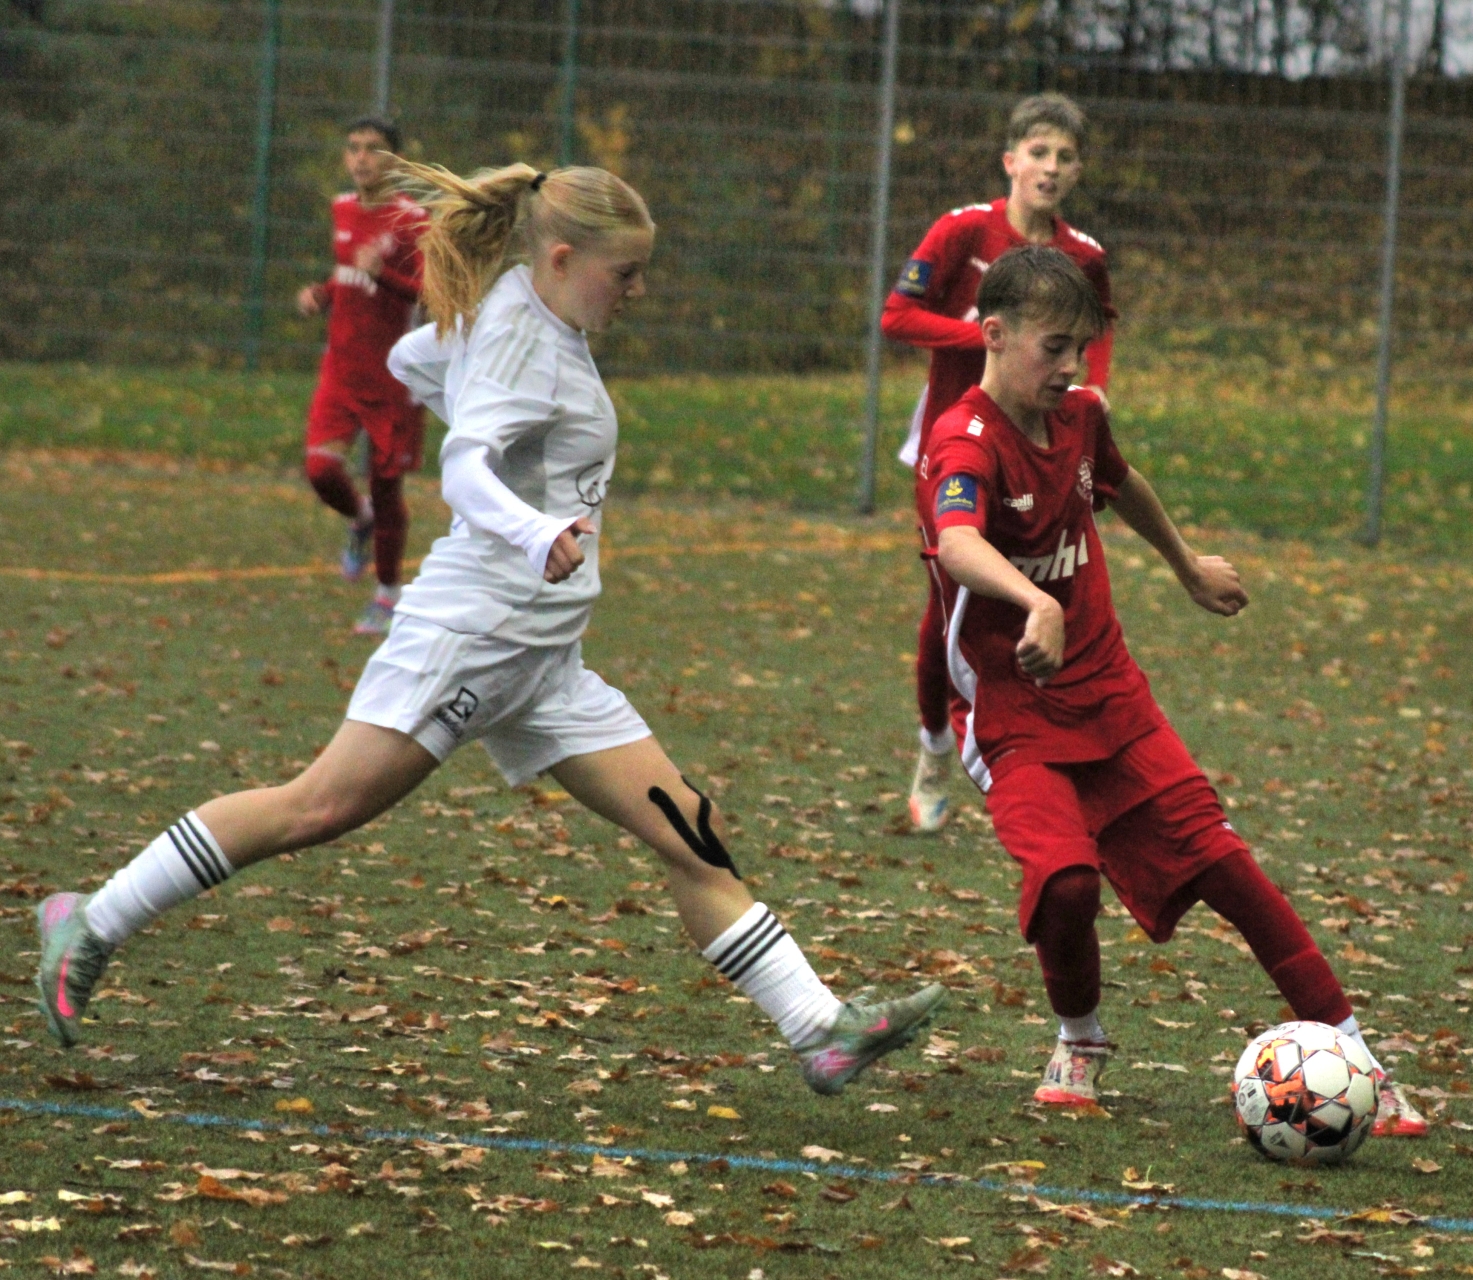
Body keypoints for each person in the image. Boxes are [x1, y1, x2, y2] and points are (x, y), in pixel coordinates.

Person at [37, 160, 945, 1093]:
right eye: (625, 273)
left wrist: (474, 398)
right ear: (562, 258)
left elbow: (409, 361)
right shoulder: (523, 339)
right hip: (472, 633)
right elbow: (467, 470)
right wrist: (535, 528)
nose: (637, 291)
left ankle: (818, 1031)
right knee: (319, 807)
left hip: (544, 658)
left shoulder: (523, 310)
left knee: (689, 828)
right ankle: (90, 920)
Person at [917, 245, 1425, 1137]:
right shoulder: (962, 442)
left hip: (1112, 696)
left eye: (1081, 347)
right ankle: (1080, 1038)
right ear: (992, 335)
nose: (1071, 366)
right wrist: (1037, 601)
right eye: (1053, 347)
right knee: (1066, 887)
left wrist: (1186, 565)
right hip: (1012, 711)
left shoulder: (1079, 417)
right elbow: (957, 542)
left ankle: (1363, 1065)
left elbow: (1119, 483)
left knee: (1230, 869)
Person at [882, 92, 1117, 835]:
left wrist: (1095, 387)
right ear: (1010, 161)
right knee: (950, 603)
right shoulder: (962, 230)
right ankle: (935, 748)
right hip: (954, 442)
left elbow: (1101, 328)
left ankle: (1051, 749)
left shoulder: (1084, 256)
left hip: (1042, 444)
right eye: (1038, 153)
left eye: (1066, 157)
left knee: (1060, 584)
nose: (1051, 168)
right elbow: (896, 315)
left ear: (1078, 171)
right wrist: (989, 339)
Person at [296, 116, 430, 637]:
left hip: (393, 379)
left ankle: (388, 595)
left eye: (373, 148)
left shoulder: (415, 222)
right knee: (320, 470)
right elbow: (347, 273)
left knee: (387, 486)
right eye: (353, 147)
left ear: (396, 160)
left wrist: (386, 276)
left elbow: (433, 296)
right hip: (342, 369)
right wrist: (322, 295)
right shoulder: (343, 208)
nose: (361, 158)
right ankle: (361, 518)